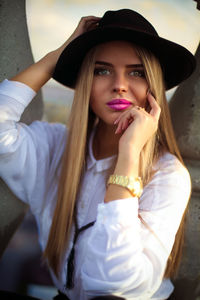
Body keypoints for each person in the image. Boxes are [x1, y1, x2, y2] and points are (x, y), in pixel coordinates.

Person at [0, 8, 196, 300]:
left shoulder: (167, 175)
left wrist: (128, 153)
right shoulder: (55, 148)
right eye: (101, 70)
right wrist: (59, 56)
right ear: (85, 83)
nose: (119, 84)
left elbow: (112, 284)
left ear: (152, 87)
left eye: (137, 72)